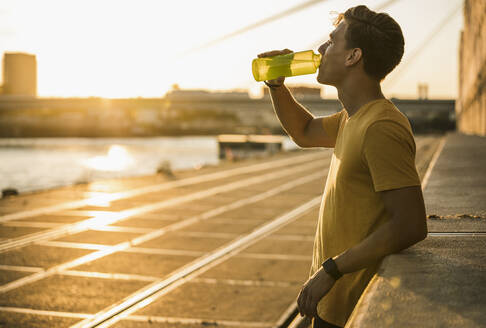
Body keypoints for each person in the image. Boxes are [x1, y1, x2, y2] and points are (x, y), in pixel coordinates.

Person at [257, 5, 427, 328]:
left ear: (353, 57)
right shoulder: (352, 118)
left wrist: (333, 269)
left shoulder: (381, 126)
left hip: (351, 306)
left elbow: (411, 224)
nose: (321, 49)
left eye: (332, 41)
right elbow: (304, 132)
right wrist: (277, 87)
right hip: (330, 303)